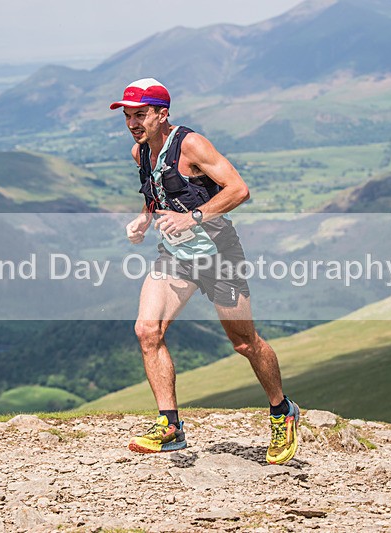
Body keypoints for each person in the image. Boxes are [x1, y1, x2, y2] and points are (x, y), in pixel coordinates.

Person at [110, 78, 301, 465]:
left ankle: (283, 412)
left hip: (219, 256)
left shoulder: (191, 145)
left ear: (162, 114)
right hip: (176, 258)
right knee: (147, 331)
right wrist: (142, 222)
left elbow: (238, 189)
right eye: (128, 115)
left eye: (140, 114)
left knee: (245, 343)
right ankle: (170, 426)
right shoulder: (140, 153)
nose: (133, 122)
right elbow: (158, 197)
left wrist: (194, 218)